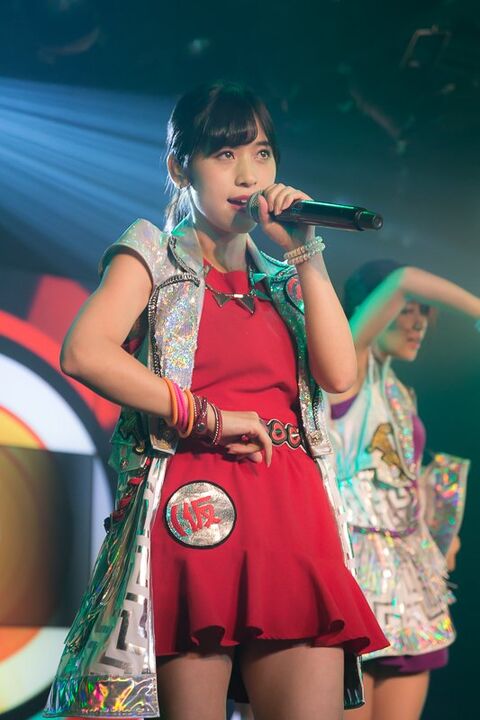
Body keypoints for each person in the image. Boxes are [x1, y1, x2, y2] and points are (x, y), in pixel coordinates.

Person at [44, 81, 387, 720]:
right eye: (225, 155)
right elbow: (84, 351)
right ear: (181, 168)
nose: (248, 175)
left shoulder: (285, 280)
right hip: (196, 515)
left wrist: (306, 250)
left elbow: (340, 375)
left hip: (294, 518)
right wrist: (208, 417)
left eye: (261, 154)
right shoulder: (152, 253)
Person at [328, 259, 478, 720]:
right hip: (353, 568)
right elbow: (405, 280)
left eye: (423, 313)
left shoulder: (398, 389)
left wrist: (440, 531)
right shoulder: (347, 367)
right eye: (406, 311)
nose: (419, 324)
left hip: (408, 582)